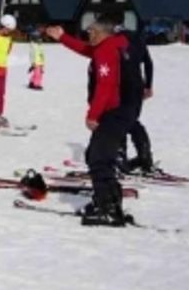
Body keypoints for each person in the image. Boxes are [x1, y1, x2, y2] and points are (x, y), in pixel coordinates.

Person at [46, 19, 143, 227]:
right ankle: (110, 202)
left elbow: (105, 86)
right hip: (124, 110)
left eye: (90, 30)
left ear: (101, 32)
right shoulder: (114, 45)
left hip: (115, 111)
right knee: (98, 155)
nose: (88, 33)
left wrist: (93, 115)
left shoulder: (106, 50)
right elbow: (87, 50)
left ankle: (107, 209)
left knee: (99, 159)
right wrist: (62, 37)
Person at [115, 25, 155, 174]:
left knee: (118, 120)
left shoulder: (115, 40)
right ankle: (145, 155)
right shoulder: (138, 39)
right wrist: (148, 85)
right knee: (132, 120)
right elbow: (148, 63)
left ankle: (120, 157)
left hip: (121, 86)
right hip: (137, 86)